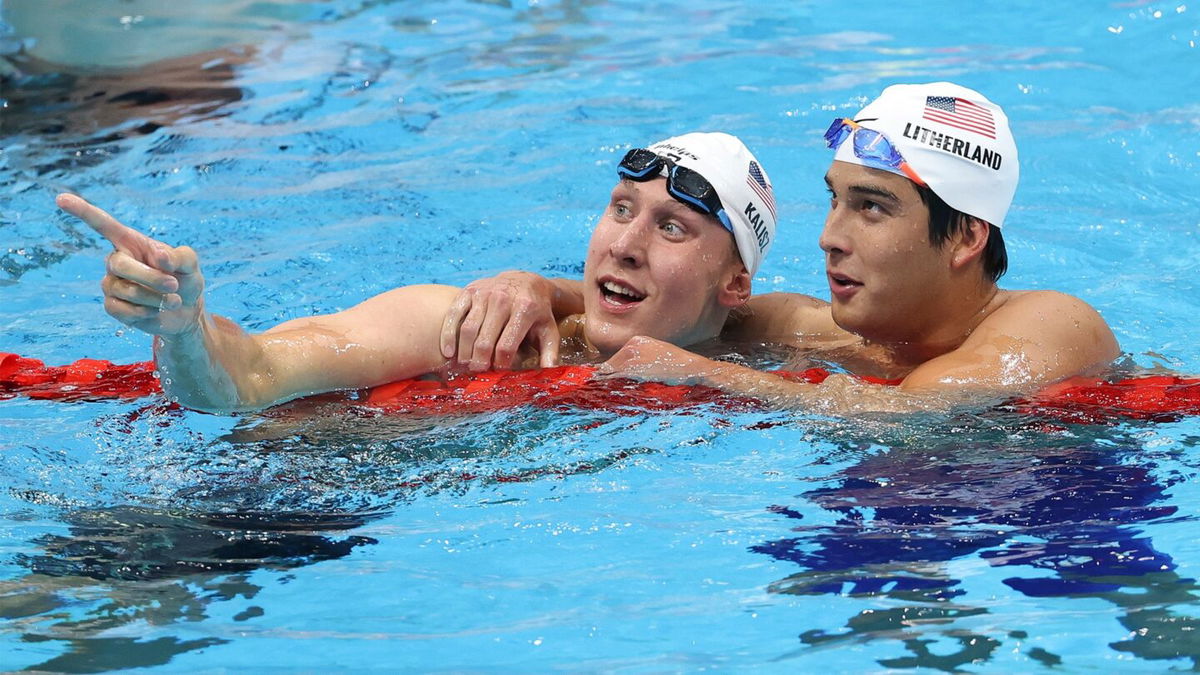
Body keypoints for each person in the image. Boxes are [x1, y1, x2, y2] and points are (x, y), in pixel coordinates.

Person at [440, 82, 1120, 412]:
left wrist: (702, 372)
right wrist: (530, 287)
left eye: (871, 209)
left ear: (968, 235)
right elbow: (693, 308)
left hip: (1086, 501)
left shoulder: (1052, 323)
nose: (830, 235)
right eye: (834, 199)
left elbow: (914, 412)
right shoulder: (825, 329)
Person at [56, 131, 778, 413]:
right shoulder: (470, 325)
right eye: (621, 209)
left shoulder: (772, 355)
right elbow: (249, 374)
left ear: (735, 286)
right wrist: (184, 329)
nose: (624, 244)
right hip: (267, 505)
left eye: (671, 227)